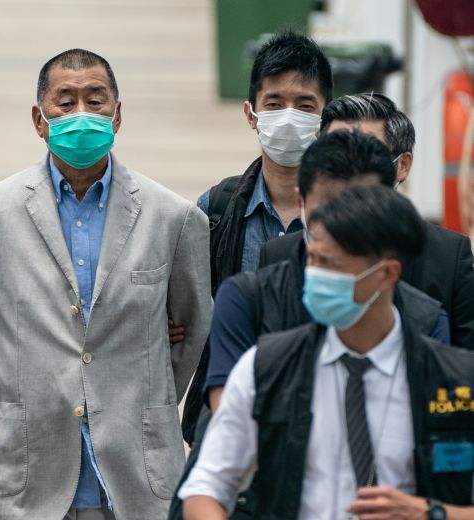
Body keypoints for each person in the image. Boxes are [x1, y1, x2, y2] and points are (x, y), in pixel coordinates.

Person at [0, 48, 212, 519]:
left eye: (96, 100)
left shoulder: (173, 217)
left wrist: (139, 388)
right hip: (29, 468)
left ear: (117, 115)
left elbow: (191, 330)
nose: (81, 114)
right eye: (65, 102)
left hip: (134, 472)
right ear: (38, 118)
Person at [180, 184, 474, 519]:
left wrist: (427, 512)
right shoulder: (266, 368)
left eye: (332, 266)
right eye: (313, 260)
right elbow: (204, 490)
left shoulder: (454, 380)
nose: (316, 277)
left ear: (386, 274)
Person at [171, 29, 333, 520]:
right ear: (251, 113)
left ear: (326, 116)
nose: (289, 117)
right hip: (225, 421)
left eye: (305, 105)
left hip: (326, 418)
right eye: (275, 102)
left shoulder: (347, 219)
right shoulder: (214, 212)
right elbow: (183, 312)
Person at [261, 93, 474, 348]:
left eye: (368, 151)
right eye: (336, 151)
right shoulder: (279, 255)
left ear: (402, 165)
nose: (349, 166)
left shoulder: (448, 257)